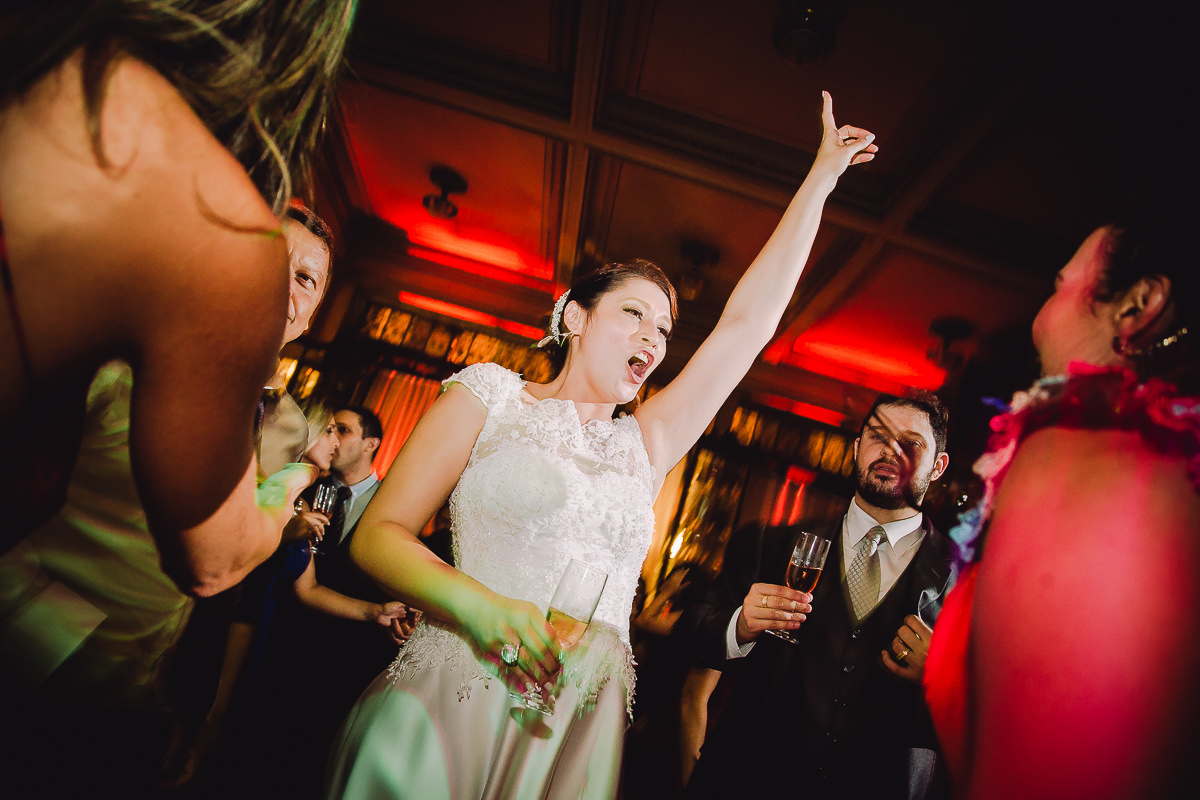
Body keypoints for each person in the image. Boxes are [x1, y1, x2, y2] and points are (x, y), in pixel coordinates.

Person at [322, 92, 877, 800]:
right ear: (576, 316)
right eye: (635, 313)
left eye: (667, 330)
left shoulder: (647, 443)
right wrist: (481, 609)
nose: (654, 336)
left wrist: (822, 178)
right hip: (452, 693)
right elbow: (377, 538)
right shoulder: (488, 395)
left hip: (572, 729)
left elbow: (746, 325)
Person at [0, 0, 356, 595]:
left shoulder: (45, 43)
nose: (278, 285)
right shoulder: (212, 224)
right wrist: (283, 499)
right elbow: (213, 562)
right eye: (275, 261)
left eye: (304, 280)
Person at [922, 210, 1200, 799]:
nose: (1040, 317)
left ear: (1136, 305)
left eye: (1059, 286)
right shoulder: (1173, 463)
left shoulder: (1089, 452)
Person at [675, 392, 954, 800]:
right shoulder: (771, 543)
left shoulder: (966, 583)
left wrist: (945, 681)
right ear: (857, 449)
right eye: (877, 436)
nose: (889, 450)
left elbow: (1002, 722)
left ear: (938, 466)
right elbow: (690, 631)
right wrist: (739, 625)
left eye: (910, 444)